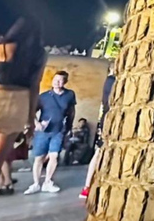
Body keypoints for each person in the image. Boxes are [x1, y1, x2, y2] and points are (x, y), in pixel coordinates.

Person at [0, 17, 47, 220]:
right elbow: (34, 87)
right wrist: (30, 120)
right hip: (19, 105)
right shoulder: (39, 55)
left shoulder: (1, 48)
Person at [24, 70, 77, 194]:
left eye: (60, 80)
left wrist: (69, 127)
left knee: (54, 156)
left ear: (65, 82)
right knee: (39, 158)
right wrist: (36, 124)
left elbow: (71, 111)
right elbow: (31, 112)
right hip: (43, 131)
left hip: (59, 131)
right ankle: (36, 183)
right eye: (55, 80)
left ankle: (48, 182)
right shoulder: (44, 96)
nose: (57, 82)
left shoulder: (70, 95)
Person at [80, 63, 115, 199]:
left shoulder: (110, 80)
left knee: (100, 151)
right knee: (100, 151)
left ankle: (89, 185)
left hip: (107, 117)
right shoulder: (112, 80)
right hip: (109, 118)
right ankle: (87, 186)